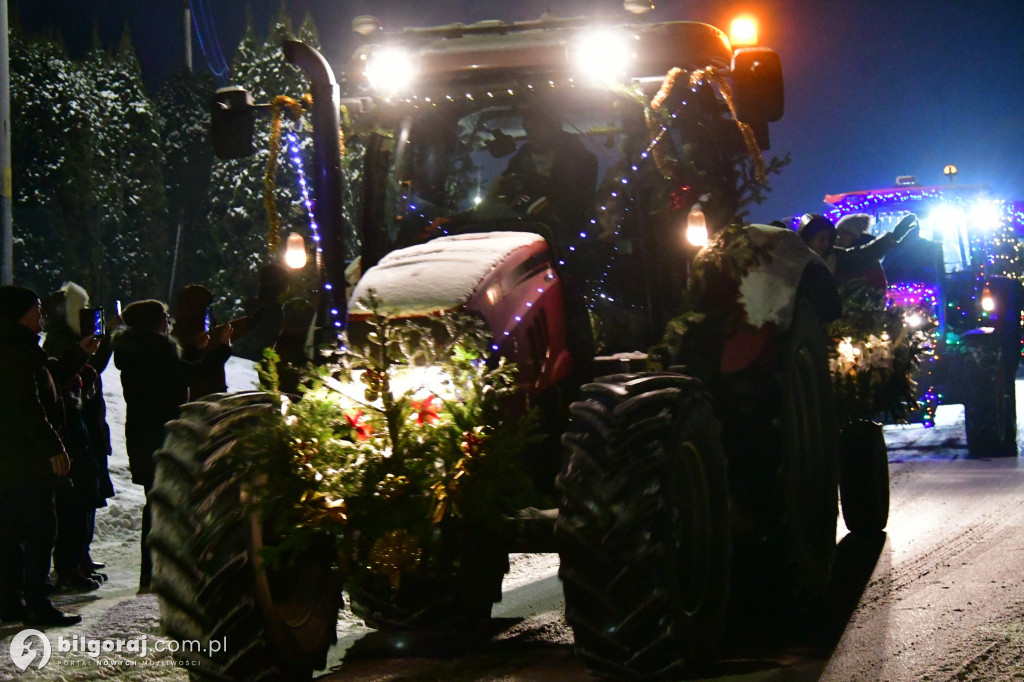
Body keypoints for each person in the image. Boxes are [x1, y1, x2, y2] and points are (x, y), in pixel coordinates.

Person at [113, 299, 231, 592]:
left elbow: (172, 375)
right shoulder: (156, 352)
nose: (169, 321)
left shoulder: (137, 352)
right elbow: (184, 376)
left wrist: (193, 350)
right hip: (161, 437)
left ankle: (154, 574)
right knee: (165, 506)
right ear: (153, 322)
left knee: (159, 503)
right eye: (164, 316)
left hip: (143, 437)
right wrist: (222, 349)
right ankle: (157, 575)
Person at [0, 285, 92, 626]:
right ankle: (36, 602)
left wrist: (79, 354)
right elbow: (27, 405)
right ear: (21, 313)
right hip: (25, 459)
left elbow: (46, 383)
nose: (42, 314)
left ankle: (11, 601)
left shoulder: (19, 347)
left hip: (14, 458)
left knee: (10, 533)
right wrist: (53, 446)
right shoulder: (15, 350)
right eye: (36, 308)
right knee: (39, 530)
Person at [41, 282, 117, 593]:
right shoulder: (59, 346)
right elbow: (63, 384)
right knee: (74, 505)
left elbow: (90, 370)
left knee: (85, 499)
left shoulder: (70, 345)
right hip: (71, 433)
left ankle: (78, 560)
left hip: (84, 431)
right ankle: (69, 566)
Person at [500, 105, 598, 249]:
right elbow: (504, 203)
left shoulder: (583, 161)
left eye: (539, 128)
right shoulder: (516, 164)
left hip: (573, 242)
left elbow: (583, 206)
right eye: (529, 130)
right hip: (523, 241)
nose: (533, 135)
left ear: (554, 128)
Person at [798, 213, 919, 292]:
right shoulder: (794, 260)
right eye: (820, 239)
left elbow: (865, 254)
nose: (825, 244)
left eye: (828, 239)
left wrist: (894, 236)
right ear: (807, 238)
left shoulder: (835, 257)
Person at [170, 284, 235, 399]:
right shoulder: (180, 339)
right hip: (196, 409)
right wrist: (223, 349)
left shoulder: (197, 336)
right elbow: (197, 373)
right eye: (206, 307)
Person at [835, 213, 889, 290]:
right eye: (838, 233)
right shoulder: (838, 255)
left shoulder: (866, 258)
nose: (839, 237)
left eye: (845, 232)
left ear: (855, 235)